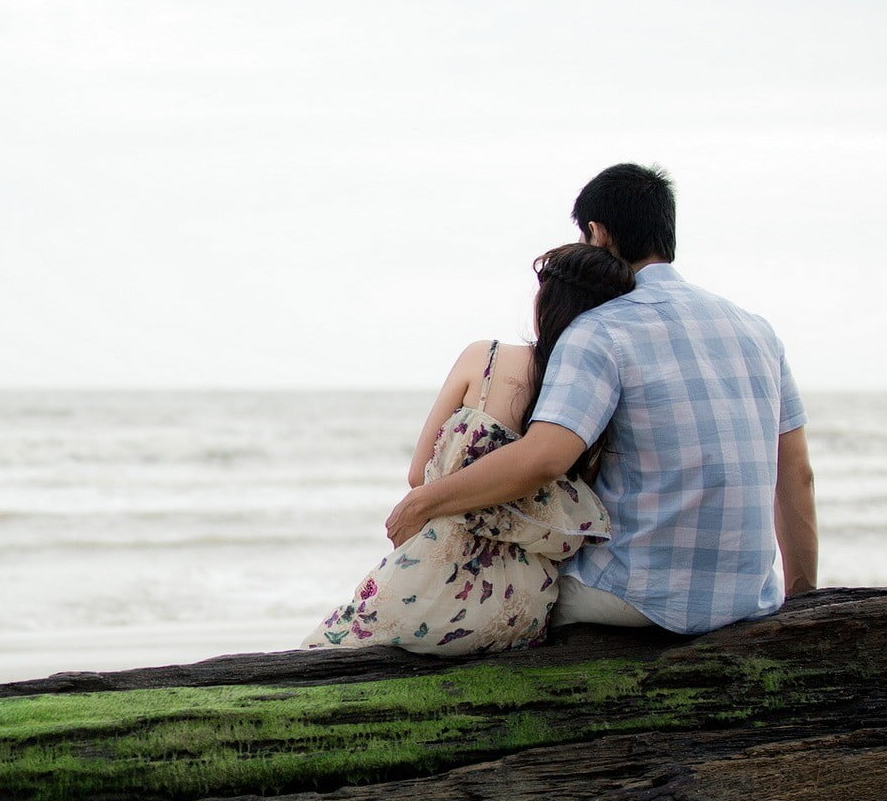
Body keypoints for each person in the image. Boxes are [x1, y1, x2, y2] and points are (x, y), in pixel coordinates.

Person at [384, 163, 818, 635]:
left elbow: (543, 458)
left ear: (598, 233)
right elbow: (796, 474)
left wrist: (423, 503)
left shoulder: (601, 329)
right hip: (750, 597)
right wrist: (803, 598)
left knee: (506, 590)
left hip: (636, 595)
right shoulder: (756, 330)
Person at [303, 244, 634, 654]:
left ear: (547, 302)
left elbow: (417, 474)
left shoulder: (486, 358)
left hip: (435, 583)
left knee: (322, 647)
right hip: (525, 606)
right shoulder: (598, 396)